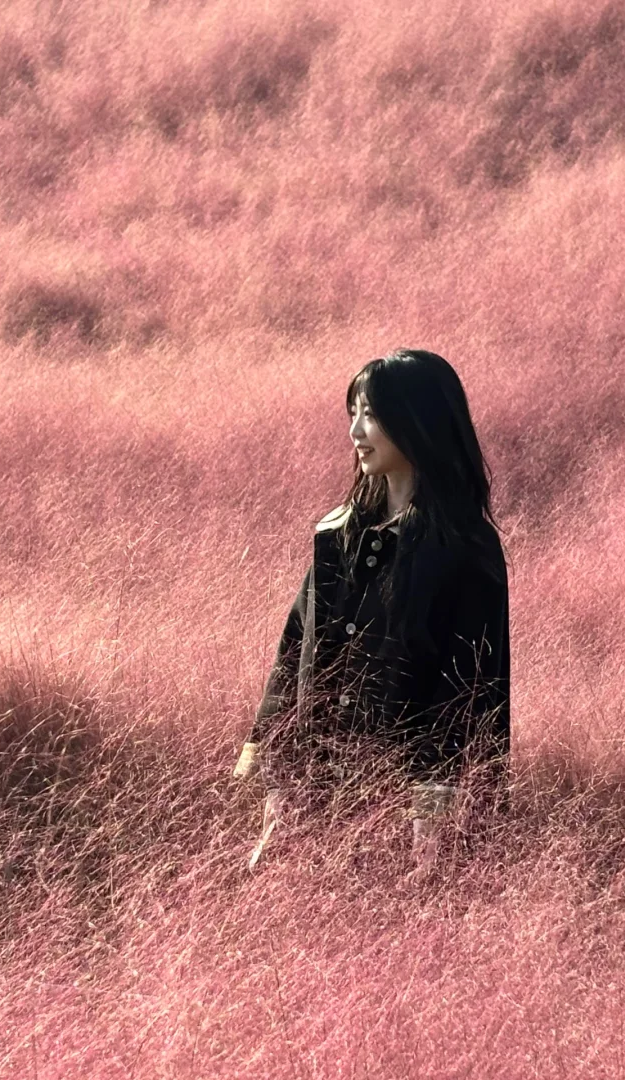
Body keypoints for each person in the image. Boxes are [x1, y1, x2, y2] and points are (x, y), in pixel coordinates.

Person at [232, 348, 510, 881]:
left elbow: (470, 687)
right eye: (353, 413)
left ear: (419, 423)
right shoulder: (337, 534)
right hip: (314, 786)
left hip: (406, 808)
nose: (357, 430)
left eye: (373, 415)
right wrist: (275, 767)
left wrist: (430, 814)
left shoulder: (465, 548)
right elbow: (294, 652)